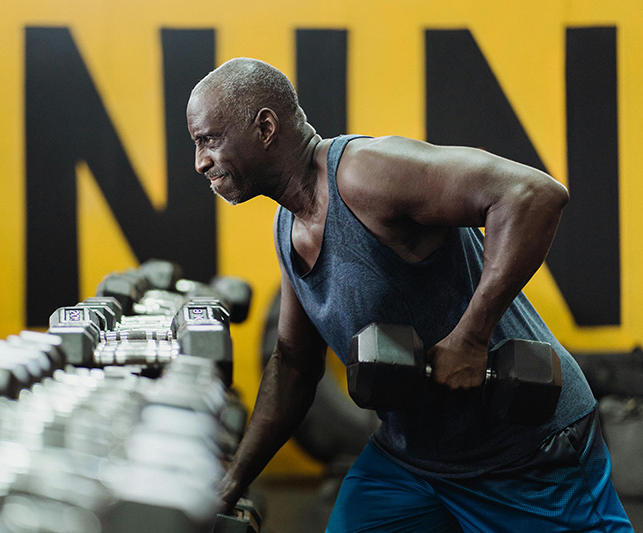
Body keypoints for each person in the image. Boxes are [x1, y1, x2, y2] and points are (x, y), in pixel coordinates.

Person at [186, 57, 632, 532]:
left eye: (208, 140)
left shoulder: (367, 174)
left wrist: (471, 337)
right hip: (413, 462)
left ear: (266, 127)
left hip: (525, 456)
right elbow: (295, 366)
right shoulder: (287, 227)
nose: (200, 161)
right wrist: (231, 482)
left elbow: (533, 194)